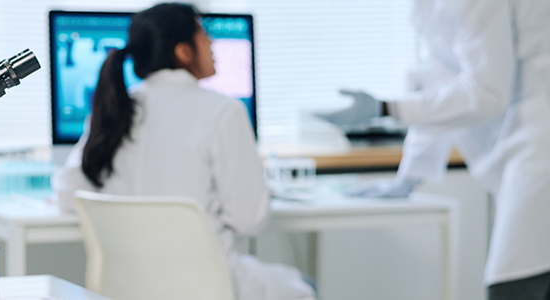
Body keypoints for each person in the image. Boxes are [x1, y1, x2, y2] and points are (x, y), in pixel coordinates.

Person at [51, 3, 316, 300]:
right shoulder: (224, 111)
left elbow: (68, 192)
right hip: (211, 288)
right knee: (306, 284)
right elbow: (250, 219)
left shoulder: (116, 111)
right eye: (204, 33)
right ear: (183, 51)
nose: (212, 43)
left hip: (128, 289)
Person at [321, 0, 550, 298]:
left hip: (538, 144)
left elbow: (487, 94)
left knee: (513, 283)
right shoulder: (427, 6)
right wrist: (409, 177)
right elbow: (442, 85)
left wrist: (386, 107)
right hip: (525, 148)